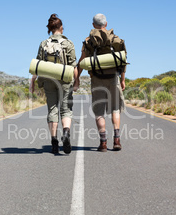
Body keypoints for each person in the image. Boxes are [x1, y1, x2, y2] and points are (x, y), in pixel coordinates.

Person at [75, 13, 127, 152]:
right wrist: (122, 80)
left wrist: (77, 78)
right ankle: (117, 140)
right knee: (115, 109)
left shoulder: (88, 41)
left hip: (97, 79)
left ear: (93, 25)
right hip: (114, 78)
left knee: (99, 112)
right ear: (106, 24)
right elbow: (123, 62)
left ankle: (103, 143)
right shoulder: (116, 40)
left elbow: (81, 61)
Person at [30, 14, 78, 154]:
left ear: (51, 29)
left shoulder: (43, 44)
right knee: (66, 109)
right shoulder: (68, 43)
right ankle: (67, 134)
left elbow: (37, 65)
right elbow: (73, 65)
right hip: (64, 79)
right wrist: (77, 81)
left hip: (48, 79)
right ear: (61, 28)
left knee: (52, 109)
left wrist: (33, 81)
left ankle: (54, 141)